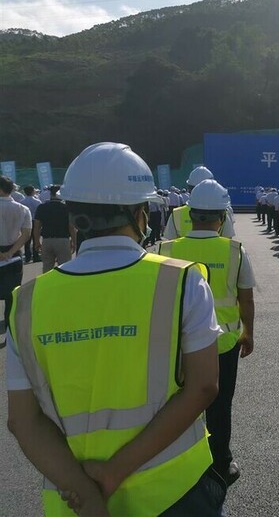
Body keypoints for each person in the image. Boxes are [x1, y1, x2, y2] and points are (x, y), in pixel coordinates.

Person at [6, 143, 224, 516]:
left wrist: (86, 494)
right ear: (141, 214)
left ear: (75, 218)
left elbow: (22, 421)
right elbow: (203, 386)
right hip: (174, 489)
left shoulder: (26, 301)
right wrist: (114, 471)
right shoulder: (181, 281)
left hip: (76, 501)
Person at [159, 179, 255, 487]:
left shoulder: (166, 249)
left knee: (178, 403)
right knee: (220, 404)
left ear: (191, 214)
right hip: (222, 343)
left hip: (178, 345)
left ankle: (181, 463)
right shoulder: (235, 251)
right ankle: (220, 463)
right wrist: (248, 333)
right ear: (222, 217)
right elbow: (246, 298)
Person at [1, 175, 32, 349]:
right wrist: (10, 252)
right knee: (11, 297)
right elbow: (26, 234)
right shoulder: (22, 209)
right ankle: (10, 336)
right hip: (14, 256)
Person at [164, 166, 235, 239]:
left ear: (190, 190)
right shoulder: (222, 213)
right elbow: (228, 240)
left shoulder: (176, 214)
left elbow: (170, 242)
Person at [33, 185, 76, 273]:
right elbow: (71, 227)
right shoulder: (67, 208)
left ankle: (47, 282)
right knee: (65, 268)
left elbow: (37, 227)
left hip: (47, 240)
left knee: (47, 268)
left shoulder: (42, 207)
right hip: (63, 240)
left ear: (50, 194)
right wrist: (74, 242)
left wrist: (37, 241)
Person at [20, 186, 41, 263]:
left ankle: (27, 256)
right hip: (35, 220)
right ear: (32, 191)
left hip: (26, 221)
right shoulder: (37, 201)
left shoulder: (22, 202)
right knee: (36, 239)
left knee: (27, 240)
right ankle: (36, 255)